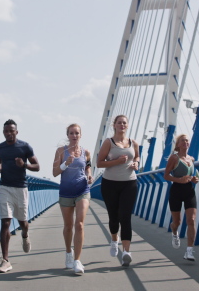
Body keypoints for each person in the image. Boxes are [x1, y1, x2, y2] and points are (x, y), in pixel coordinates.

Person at [0, 119, 40, 273]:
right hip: (4, 187)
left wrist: (24, 165)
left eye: (11, 131)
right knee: (5, 222)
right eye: (6, 131)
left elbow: (37, 167)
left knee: (22, 222)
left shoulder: (25, 147)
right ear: (3, 132)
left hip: (21, 188)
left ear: (16, 132)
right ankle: (5, 260)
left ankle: (25, 235)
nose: (9, 134)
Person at [96, 115, 140, 267]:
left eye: (124, 123)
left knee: (125, 217)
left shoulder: (133, 142)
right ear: (114, 125)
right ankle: (114, 239)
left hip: (129, 183)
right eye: (119, 122)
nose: (122, 125)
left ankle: (126, 252)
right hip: (110, 184)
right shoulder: (109, 142)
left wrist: (136, 163)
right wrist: (117, 161)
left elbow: (138, 157)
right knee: (114, 218)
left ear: (127, 126)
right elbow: (99, 163)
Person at [52, 123, 93, 275]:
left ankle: (77, 260)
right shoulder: (61, 151)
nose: (74, 136)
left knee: (80, 224)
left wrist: (89, 176)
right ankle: (68, 252)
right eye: (71, 133)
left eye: (77, 133)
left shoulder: (86, 152)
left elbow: (88, 167)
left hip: (82, 190)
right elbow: (55, 172)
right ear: (67, 135)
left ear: (80, 135)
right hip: (66, 191)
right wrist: (65, 164)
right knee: (68, 226)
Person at [164, 134, 199, 261]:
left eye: (187, 140)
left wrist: (194, 179)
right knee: (177, 222)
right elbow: (166, 175)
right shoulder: (174, 158)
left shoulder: (192, 159)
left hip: (189, 190)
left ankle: (189, 251)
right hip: (176, 191)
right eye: (182, 141)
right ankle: (174, 232)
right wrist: (179, 180)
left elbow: (191, 176)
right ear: (178, 144)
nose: (185, 142)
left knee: (191, 219)